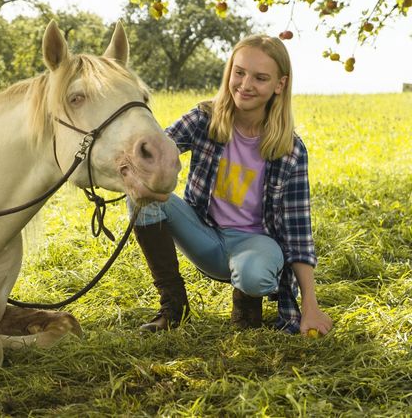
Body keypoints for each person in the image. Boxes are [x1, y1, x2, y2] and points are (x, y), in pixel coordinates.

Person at [129, 34, 333, 336]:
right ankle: (174, 308)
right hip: (204, 234)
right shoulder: (204, 119)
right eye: (240, 72)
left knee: (253, 274)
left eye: (261, 78)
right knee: (140, 197)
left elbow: (299, 233)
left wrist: (311, 307)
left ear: (280, 85)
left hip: (255, 246)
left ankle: (246, 311)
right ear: (230, 72)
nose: (246, 84)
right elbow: (155, 152)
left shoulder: (290, 150)